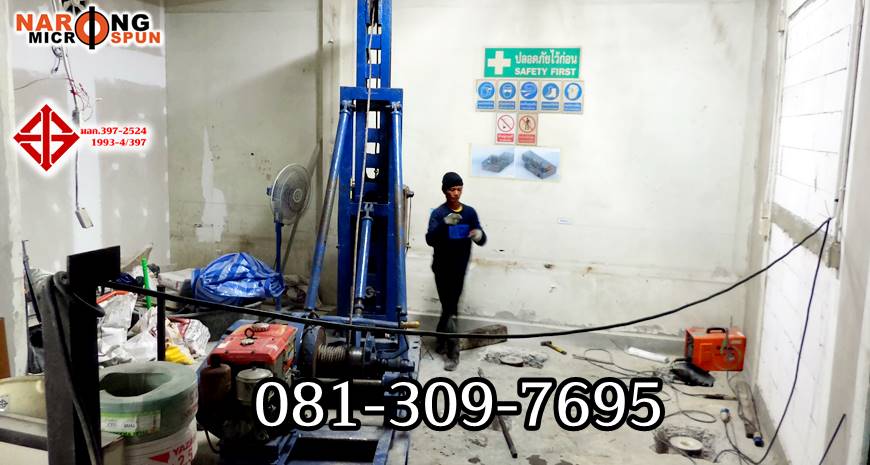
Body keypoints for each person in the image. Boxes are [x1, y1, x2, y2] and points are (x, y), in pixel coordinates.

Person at [425, 172, 486, 371]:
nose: (456, 193)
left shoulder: (469, 213)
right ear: (445, 191)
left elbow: (482, 238)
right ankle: (451, 350)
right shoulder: (438, 213)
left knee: (449, 307)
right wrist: (444, 224)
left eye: (459, 189)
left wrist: (478, 234)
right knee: (450, 307)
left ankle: (443, 342)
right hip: (442, 269)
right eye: (452, 189)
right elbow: (430, 239)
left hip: (460, 269)